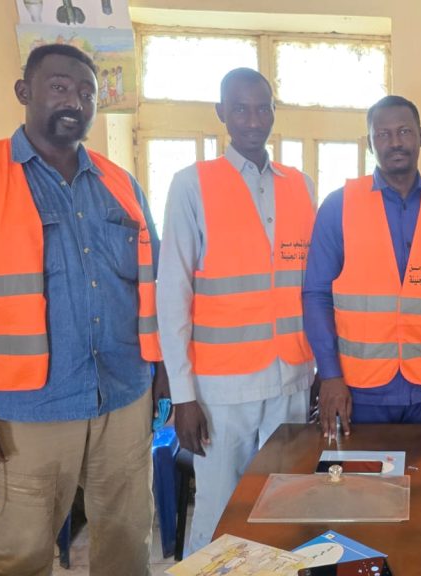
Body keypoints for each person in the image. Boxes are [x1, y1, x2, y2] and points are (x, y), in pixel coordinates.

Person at [0, 44, 167, 576]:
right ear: (24, 92)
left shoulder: (120, 184)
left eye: (87, 92)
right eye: (60, 87)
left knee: (128, 543)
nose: (75, 101)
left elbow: (149, 286)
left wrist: (160, 373)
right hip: (25, 413)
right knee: (16, 556)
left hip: (122, 397)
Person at [157, 67, 317, 555]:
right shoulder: (192, 185)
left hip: (290, 379)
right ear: (222, 113)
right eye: (241, 108)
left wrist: (317, 372)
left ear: (273, 112)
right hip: (221, 391)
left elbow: (311, 286)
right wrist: (183, 396)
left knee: (284, 506)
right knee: (219, 513)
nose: (253, 119)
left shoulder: (301, 185)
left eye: (262, 107)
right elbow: (172, 294)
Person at [303, 95, 421, 439]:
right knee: (363, 474)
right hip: (360, 390)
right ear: (370, 143)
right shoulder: (339, 205)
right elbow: (316, 295)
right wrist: (330, 375)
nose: (395, 142)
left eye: (404, 131)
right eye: (382, 134)